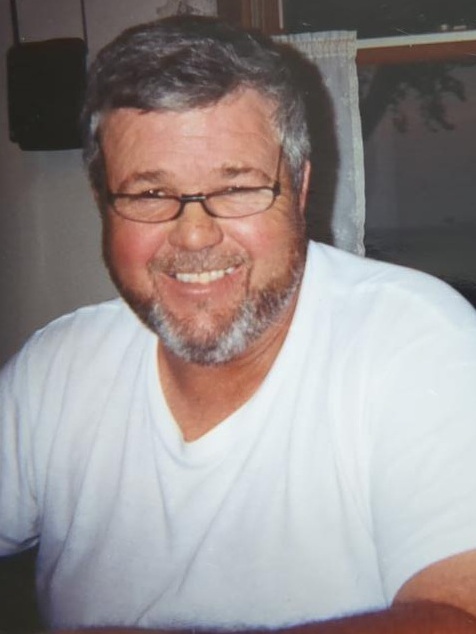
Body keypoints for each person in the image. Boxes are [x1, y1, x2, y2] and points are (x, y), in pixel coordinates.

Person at [1, 14, 476, 633]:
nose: (195, 235)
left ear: (299, 190)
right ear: (103, 203)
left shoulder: (419, 342)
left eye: (238, 188)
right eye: (149, 194)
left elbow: (459, 613)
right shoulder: (55, 370)